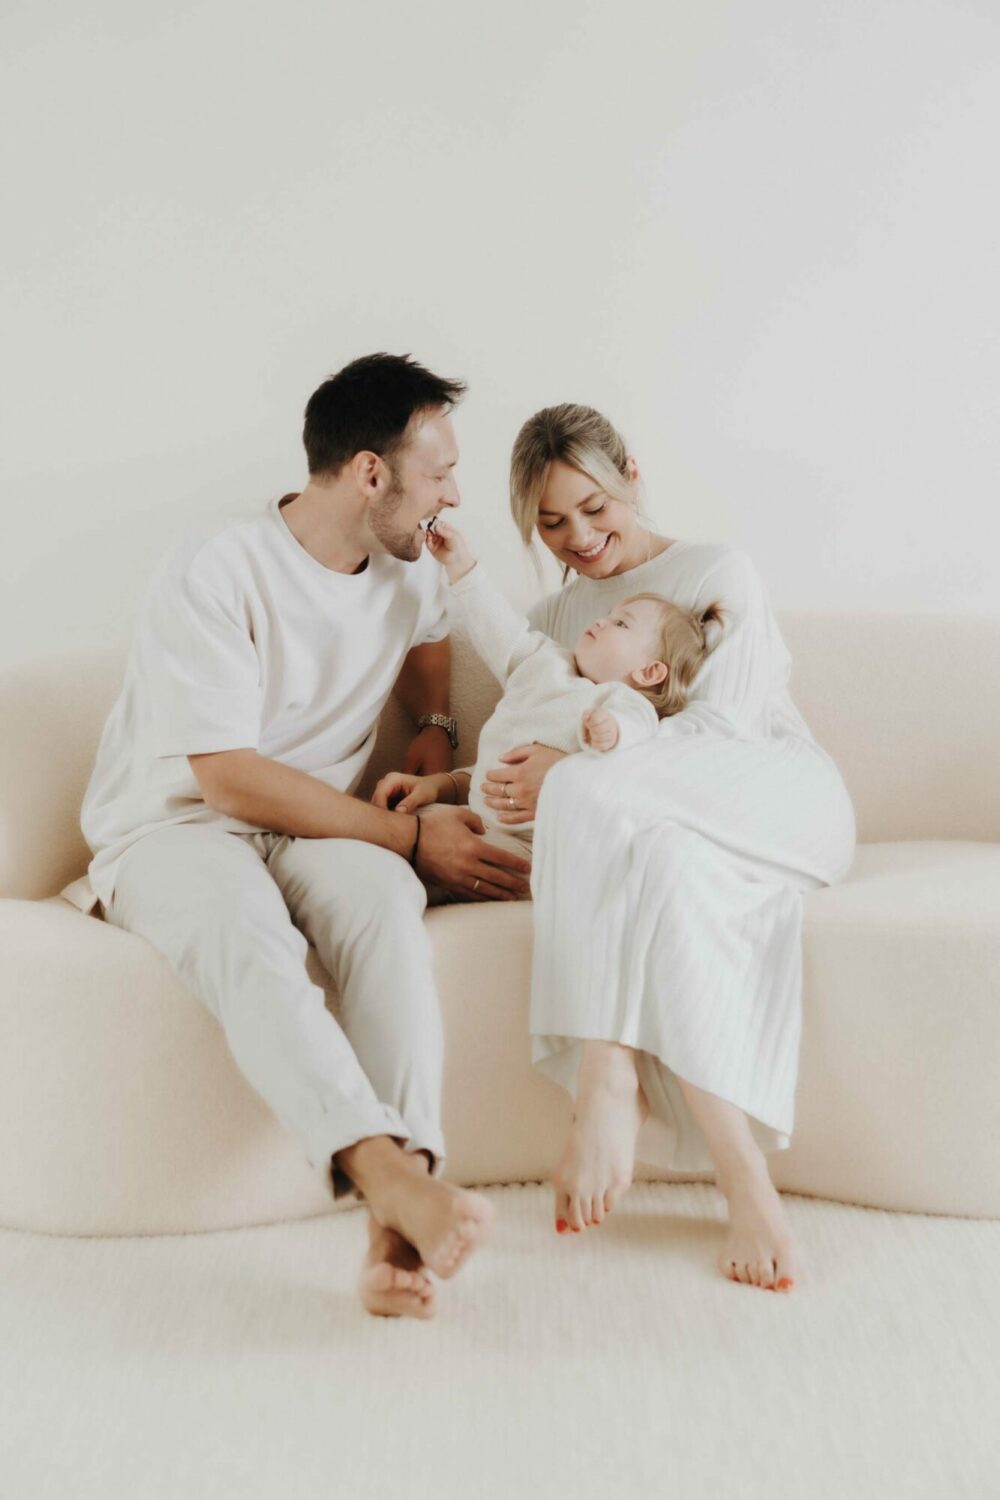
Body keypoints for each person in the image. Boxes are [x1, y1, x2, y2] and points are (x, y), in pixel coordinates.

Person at [79, 353, 533, 1321]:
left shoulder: (408, 566)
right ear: (370, 473)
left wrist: (431, 733)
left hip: (312, 831)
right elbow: (228, 778)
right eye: (441, 473)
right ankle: (389, 1175)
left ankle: (395, 1234)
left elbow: (429, 645)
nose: (455, 496)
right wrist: (407, 837)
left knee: (386, 909)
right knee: (248, 934)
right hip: (177, 828)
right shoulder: (217, 566)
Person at [472, 403, 856, 1294]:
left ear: (632, 476)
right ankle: (745, 1183)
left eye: (594, 507)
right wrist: (455, 786)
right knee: (666, 870)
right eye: (552, 523)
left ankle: (605, 1075)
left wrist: (576, 770)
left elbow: (722, 730)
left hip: (774, 795)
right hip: (667, 827)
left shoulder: (716, 570)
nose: (580, 538)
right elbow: (532, 741)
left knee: (583, 792)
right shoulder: (556, 617)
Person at [371, 517, 726, 875]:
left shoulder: (620, 702)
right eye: (609, 615)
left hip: (532, 844)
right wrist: (461, 565)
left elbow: (638, 734)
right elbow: (500, 629)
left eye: (621, 624)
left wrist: (613, 732)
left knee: (415, 856)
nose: (602, 621)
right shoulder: (547, 660)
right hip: (476, 816)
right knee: (399, 827)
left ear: (649, 672)